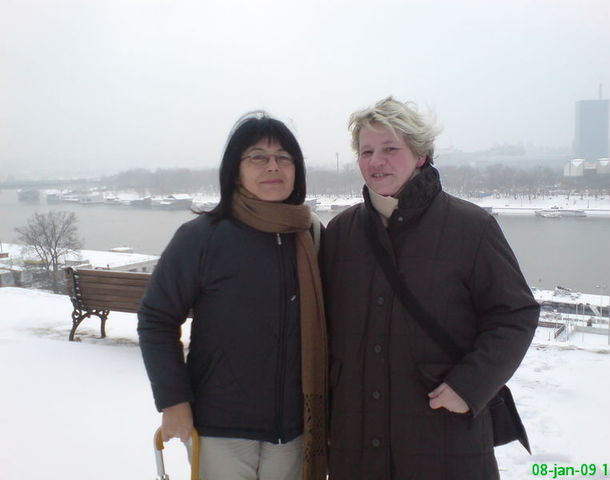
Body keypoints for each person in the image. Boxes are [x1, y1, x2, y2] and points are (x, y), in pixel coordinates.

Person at [321, 97, 539, 480]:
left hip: (443, 436)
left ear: (420, 155)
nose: (376, 161)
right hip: (354, 441)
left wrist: (469, 386)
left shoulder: (471, 228)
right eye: (367, 151)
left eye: (390, 149)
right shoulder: (341, 233)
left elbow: (515, 315)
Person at [138, 112, 327, 480]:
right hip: (220, 427)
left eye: (283, 157)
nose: (272, 166)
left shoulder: (311, 235)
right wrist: (174, 400)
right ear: (235, 171)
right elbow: (157, 318)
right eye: (258, 157)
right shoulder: (202, 237)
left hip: (295, 428)